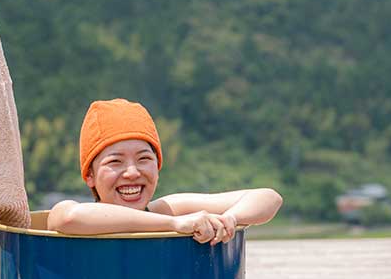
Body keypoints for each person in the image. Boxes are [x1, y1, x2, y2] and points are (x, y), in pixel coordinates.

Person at [48, 98, 283, 244]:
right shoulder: (75, 212)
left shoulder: (168, 209)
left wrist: (229, 219)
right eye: (115, 162)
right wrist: (175, 225)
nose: (132, 172)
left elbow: (268, 197)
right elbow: (67, 218)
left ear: (157, 167)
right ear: (89, 175)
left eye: (144, 159)